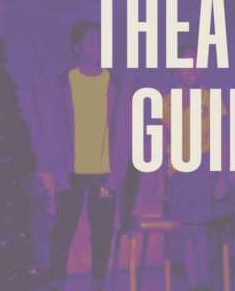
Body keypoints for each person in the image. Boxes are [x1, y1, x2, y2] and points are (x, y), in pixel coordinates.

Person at [46, 21, 136, 291]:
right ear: (77, 48)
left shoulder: (117, 84)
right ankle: (57, 284)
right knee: (62, 229)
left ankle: (96, 285)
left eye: (101, 41)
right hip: (70, 172)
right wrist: (58, 172)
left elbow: (125, 130)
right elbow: (53, 130)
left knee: (103, 232)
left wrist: (118, 173)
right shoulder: (63, 83)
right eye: (91, 41)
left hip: (105, 174)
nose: (98, 46)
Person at [155, 44, 231, 291]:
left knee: (200, 228)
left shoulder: (211, 99)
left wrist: (224, 177)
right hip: (178, 171)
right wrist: (160, 181)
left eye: (197, 65)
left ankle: (204, 285)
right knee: (186, 229)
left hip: (205, 166)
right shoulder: (167, 102)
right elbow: (163, 142)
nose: (192, 70)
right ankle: (192, 286)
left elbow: (222, 140)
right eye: (186, 64)